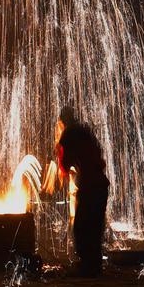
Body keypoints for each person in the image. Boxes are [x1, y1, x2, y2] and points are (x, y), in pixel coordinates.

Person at [54, 105, 110, 277]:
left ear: (63, 121)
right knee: (95, 226)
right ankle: (95, 265)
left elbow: (64, 166)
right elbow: (98, 154)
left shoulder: (68, 134)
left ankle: (87, 267)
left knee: (81, 227)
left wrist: (59, 153)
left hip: (89, 185)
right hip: (101, 183)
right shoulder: (85, 130)